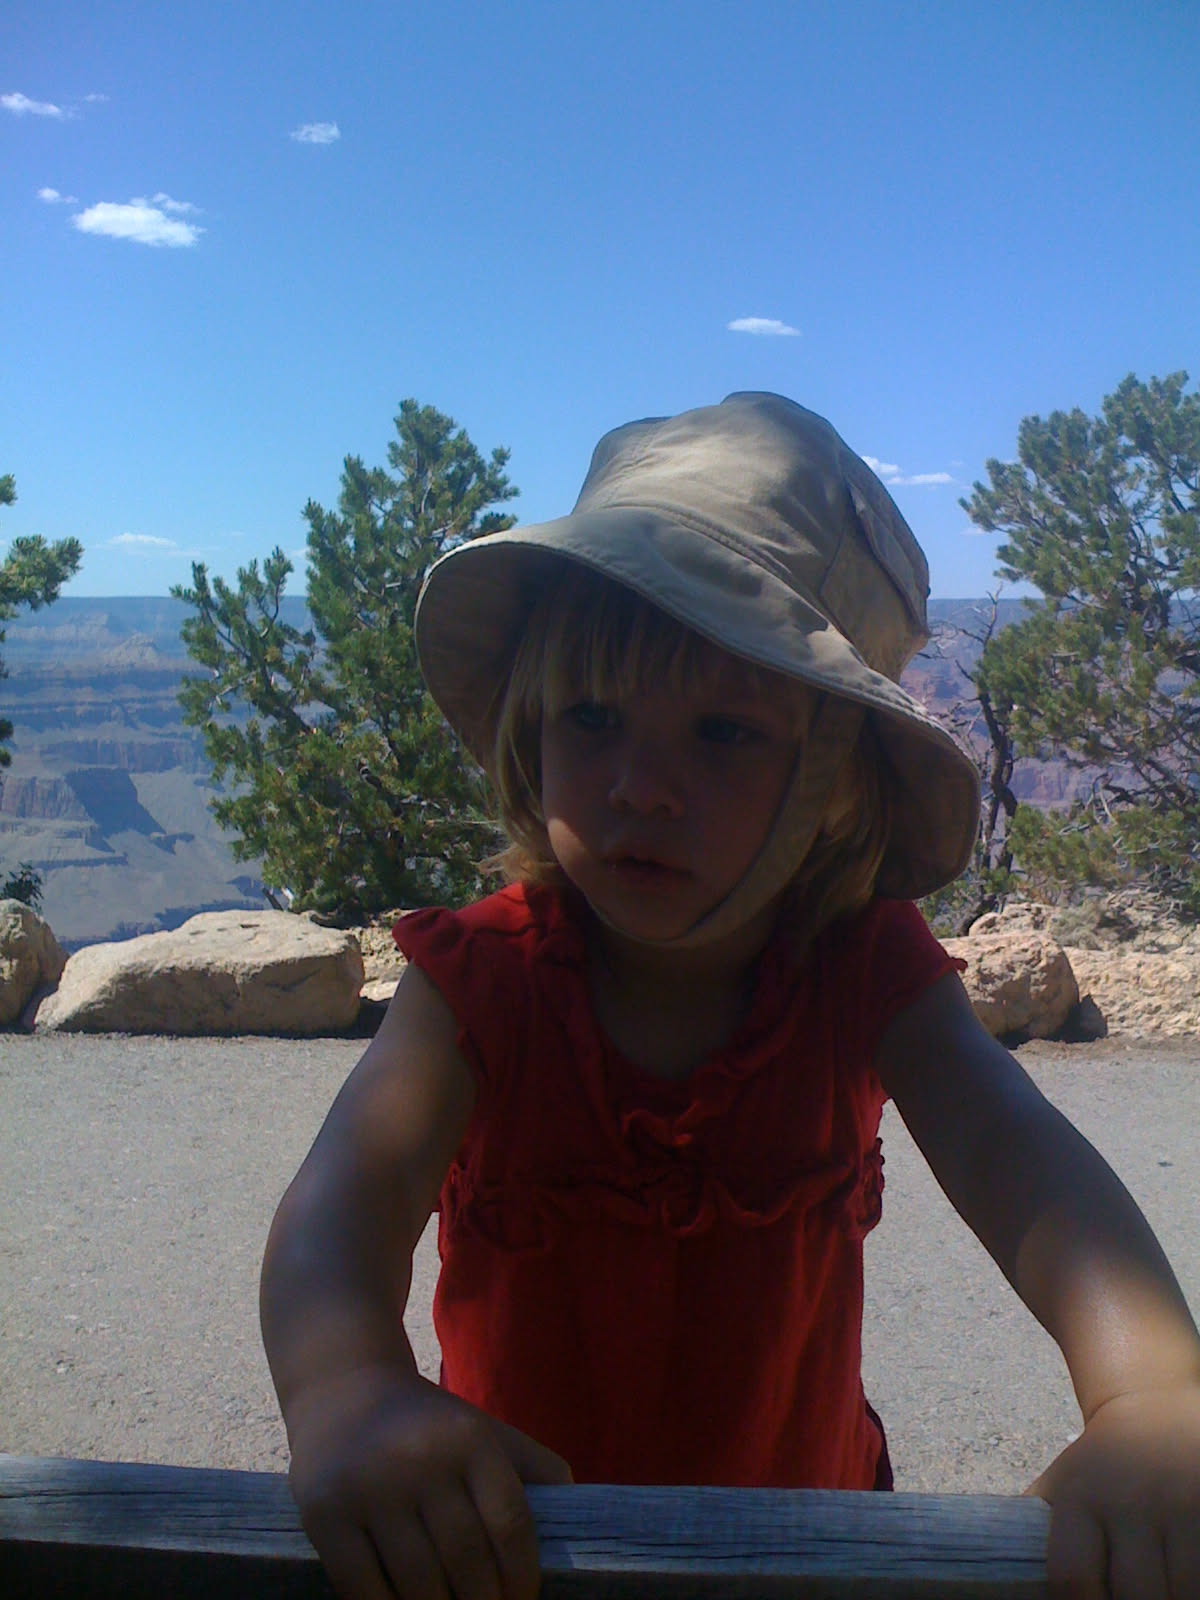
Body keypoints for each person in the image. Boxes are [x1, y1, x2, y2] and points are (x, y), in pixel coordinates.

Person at [261, 392, 1200, 1600]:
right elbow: (347, 1197)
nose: (640, 786)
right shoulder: (481, 980)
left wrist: (1152, 1394)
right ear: (531, 732)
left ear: (833, 777)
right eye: (593, 716)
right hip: (522, 1554)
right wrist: (348, 1387)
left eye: (721, 733)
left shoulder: (858, 966)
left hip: (804, 1557)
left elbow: (1022, 1161)